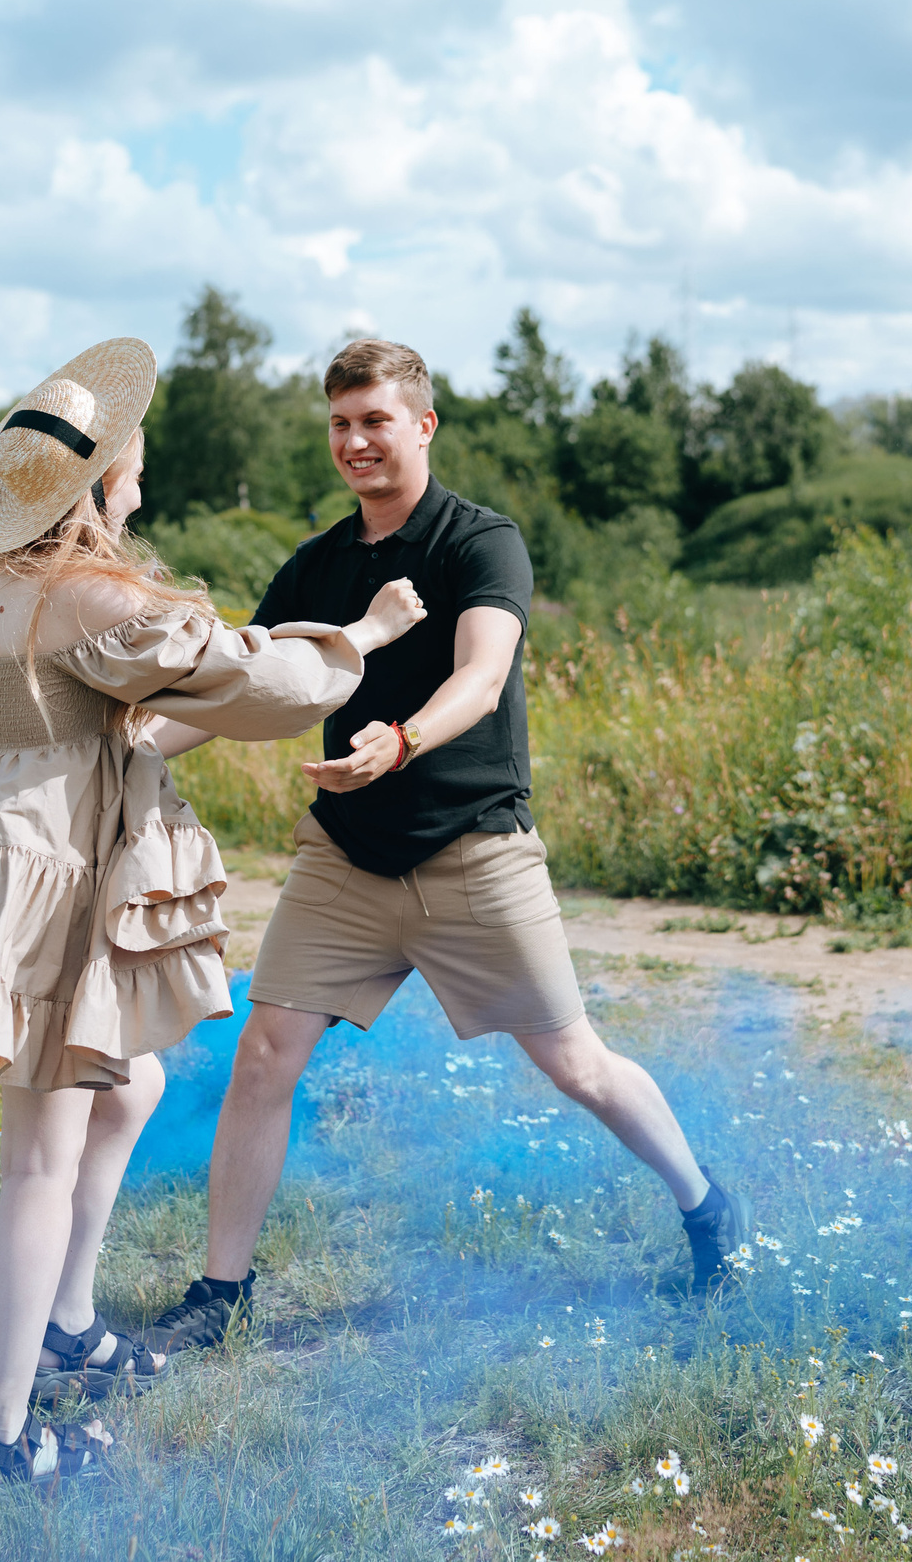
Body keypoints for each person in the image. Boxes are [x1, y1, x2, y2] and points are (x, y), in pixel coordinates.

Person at [0, 338, 426, 1493]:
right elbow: (254, 683)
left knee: (126, 1079)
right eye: (131, 466)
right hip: (53, 866)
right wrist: (365, 640)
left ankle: (70, 1320)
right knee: (37, 1157)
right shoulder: (94, 595)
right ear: (99, 486)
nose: (140, 481)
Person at [144, 338, 746, 1356]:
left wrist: (403, 737)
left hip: (473, 850)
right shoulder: (321, 563)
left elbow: (480, 675)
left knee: (575, 1064)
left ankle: (704, 1207)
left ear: (422, 424)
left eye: (374, 420)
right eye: (339, 424)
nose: (354, 441)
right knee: (263, 1053)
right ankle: (221, 1292)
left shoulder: (482, 541)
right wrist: (124, 751)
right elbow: (247, 691)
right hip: (345, 858)